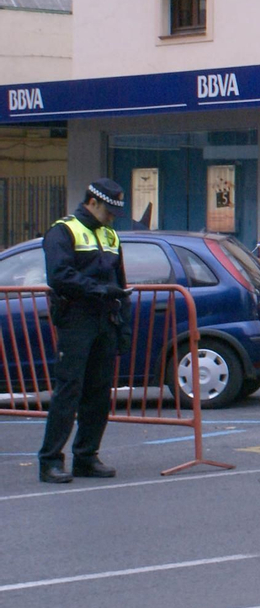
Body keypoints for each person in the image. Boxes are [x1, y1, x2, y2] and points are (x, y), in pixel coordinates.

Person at [37, 179, 132, 484]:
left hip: (105, 318)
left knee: (99, 392)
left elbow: (121, 283)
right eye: (109, 209)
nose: (113, 216)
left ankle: (86, 457)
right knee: (69, 390)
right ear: (92, 202)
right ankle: (50, 461)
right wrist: (100, 290)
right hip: (76, 318)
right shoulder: (63, 231)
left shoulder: (111, 235)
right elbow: (60, 276)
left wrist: (123, 326)